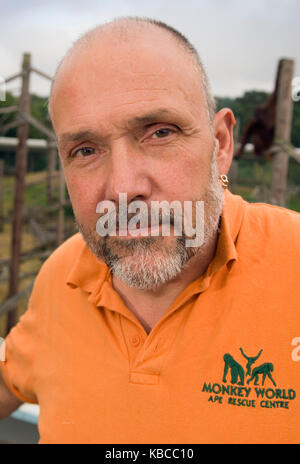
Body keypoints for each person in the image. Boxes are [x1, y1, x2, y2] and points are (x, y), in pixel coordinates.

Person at [0, 17, 299, 444]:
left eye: (160, 132)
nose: (123, 189)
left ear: (221, 145)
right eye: (85, 150)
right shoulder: (63, 274)